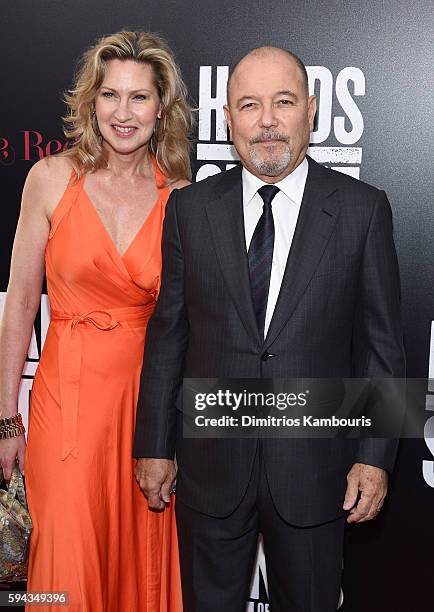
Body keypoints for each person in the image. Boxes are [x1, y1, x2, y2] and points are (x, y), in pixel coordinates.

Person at [133, 46, 405, 612]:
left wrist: (375, 458)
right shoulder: (189, 210)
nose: (267, 121)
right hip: (211, 472)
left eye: (283, 102)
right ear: (228, 120)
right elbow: (169, 337)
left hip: (314, 473)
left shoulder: (362, 210)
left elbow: (382, 348)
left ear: (311, 111)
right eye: (249, 105)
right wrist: (154, 445)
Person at [0, 30, 193, 611]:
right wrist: (7, 418)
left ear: (162, 108)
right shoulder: (50, 179)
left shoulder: (181, 196)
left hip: (149, 404)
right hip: (68, 401)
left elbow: (192, 323)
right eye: (111, 95)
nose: (123, 112)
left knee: (142, 556)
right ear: (91, 102)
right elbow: (20, 302)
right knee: (69, 556)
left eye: (139, 98)